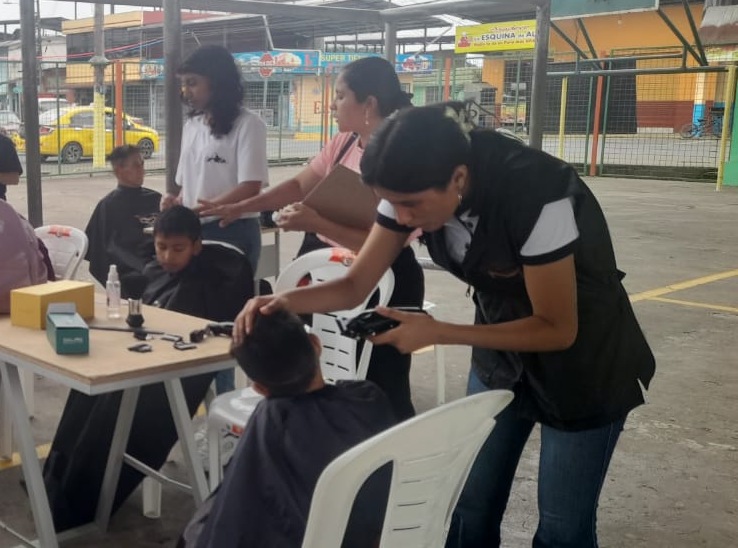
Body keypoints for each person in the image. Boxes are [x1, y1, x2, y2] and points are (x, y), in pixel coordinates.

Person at [235, 102, 656, 548]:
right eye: (392, 204)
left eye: (411, 205)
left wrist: (438, 331)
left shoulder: (536, 194)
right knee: (470, 502)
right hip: (501, 347)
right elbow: (356, 283)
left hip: (584, 363)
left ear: (457, 178)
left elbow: (557, 328)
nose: (402, 218)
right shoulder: (406, 189)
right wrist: (282, 299)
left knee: (561, 527)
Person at [198, 56, 423, 420]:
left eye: (340, 96)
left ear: (369, 104)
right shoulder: (345, 142)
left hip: (383, 276)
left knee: (379, 383)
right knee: (313, 371)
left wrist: (317, 222)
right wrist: (243, 206)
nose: (332, 105)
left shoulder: (405, 157)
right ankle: (321, 437)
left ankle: (384, 449)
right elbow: (299, 185)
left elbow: (385, 246)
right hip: (323, 268)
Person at [43, 206, 254, 531]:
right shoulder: (155, 271)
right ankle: (59, 480)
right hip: (147, 354)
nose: (167, 256)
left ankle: (81, 498)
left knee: (119, 405)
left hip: (182, 367)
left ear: (197, 245)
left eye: (178, 248)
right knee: (89, 388)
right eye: (161, 247)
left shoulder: (219, 278)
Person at [179, 308, 395, 548]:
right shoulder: (368, 397)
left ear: (259, 388)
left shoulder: (272, 420)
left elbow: (234, 510)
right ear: (316, 344)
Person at [162, 44, 269, 269]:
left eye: (193, 83)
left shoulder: (249, 125)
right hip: (195, 229)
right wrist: (177, 201)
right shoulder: (192, 125)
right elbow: (190, 184)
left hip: (231, 229)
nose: (186, 92)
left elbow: (250, 186)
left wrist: (199, 211)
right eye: (184, 84)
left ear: (218, 82)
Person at [83, 144, 160, 283]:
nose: (142, 170)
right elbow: (99, 256)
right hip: (130, 272)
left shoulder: (156, 198)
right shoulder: (108, 206)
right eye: (136, 165)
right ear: (118, 171)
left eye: (142, 164)